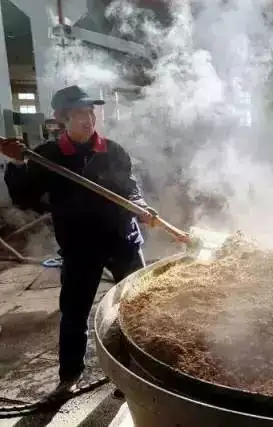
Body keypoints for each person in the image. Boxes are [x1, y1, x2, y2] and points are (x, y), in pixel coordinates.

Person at [0, 85, 159, 398]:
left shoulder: (112, 150)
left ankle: (133, 374)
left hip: (122, 240)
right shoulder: (47, 156)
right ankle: (69, 376)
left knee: (134, 308)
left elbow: (129, 188)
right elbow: (25, 197)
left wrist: (141, 206)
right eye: (80, 114)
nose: (89, 119)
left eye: (91, 112)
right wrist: (17, 165)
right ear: (62, 119)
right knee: (75, 313)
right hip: (80, 246)